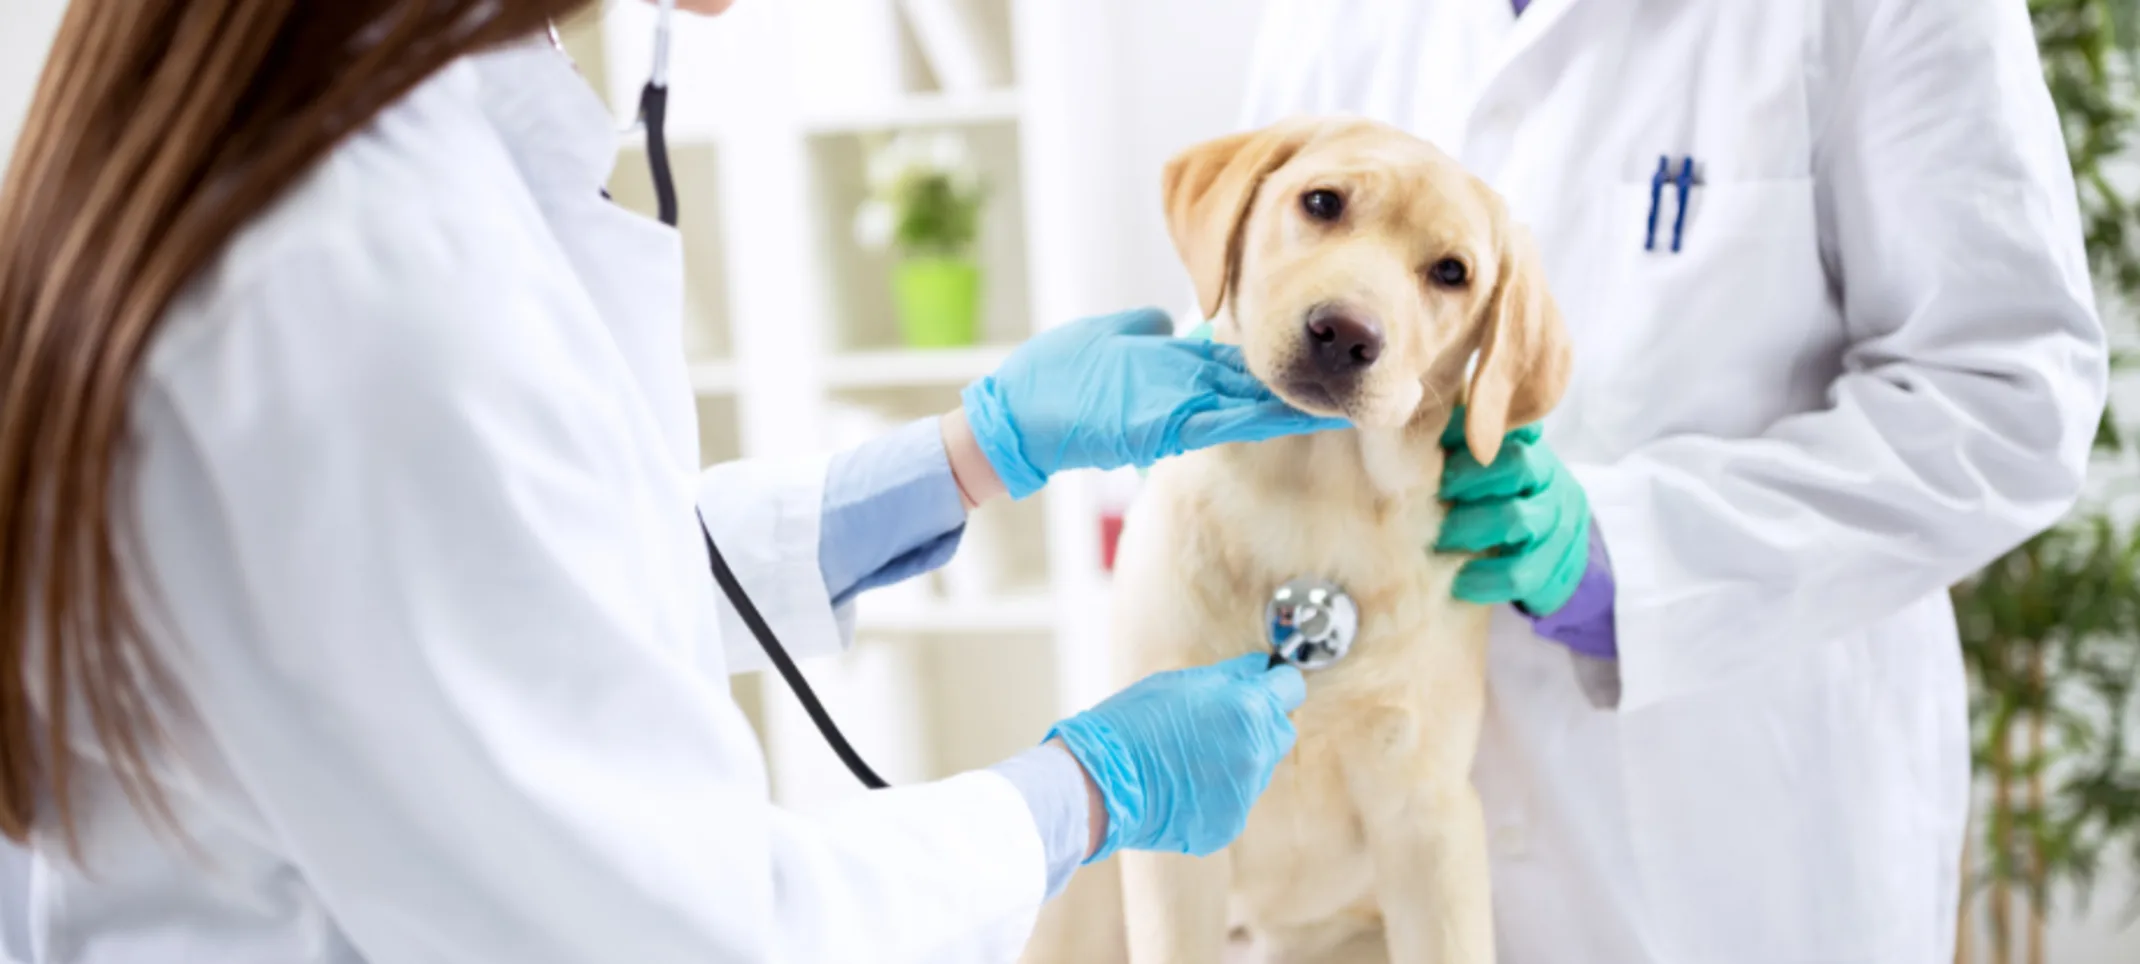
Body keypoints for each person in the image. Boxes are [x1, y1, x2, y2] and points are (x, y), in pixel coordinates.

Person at [0, 1, 1347, 960]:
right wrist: (1089, 788)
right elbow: (701, 934)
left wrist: (967, 459)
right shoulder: (359, 280)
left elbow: (508, 592)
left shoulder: (402, 146)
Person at [1234, 0, 2108, 961]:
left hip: (1733, 839)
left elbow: (2005, 395)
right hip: (1374, 870)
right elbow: (1270, 290)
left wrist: (1627, 556)